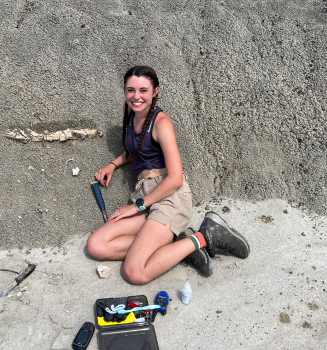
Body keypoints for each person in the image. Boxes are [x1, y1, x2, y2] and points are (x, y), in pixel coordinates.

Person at [86, 66, 250, 285]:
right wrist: (113, 165)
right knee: (96, 245)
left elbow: (175, 179)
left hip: (169, 197)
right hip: (146, 194)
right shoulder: (133, 117)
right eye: (130, 90)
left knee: (134, 272)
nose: (136, 97)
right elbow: (137, 150)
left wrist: (137, 207)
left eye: (143, 90)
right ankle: (178, 246)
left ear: (155, 92)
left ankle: (207, 236)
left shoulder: (162, 123)